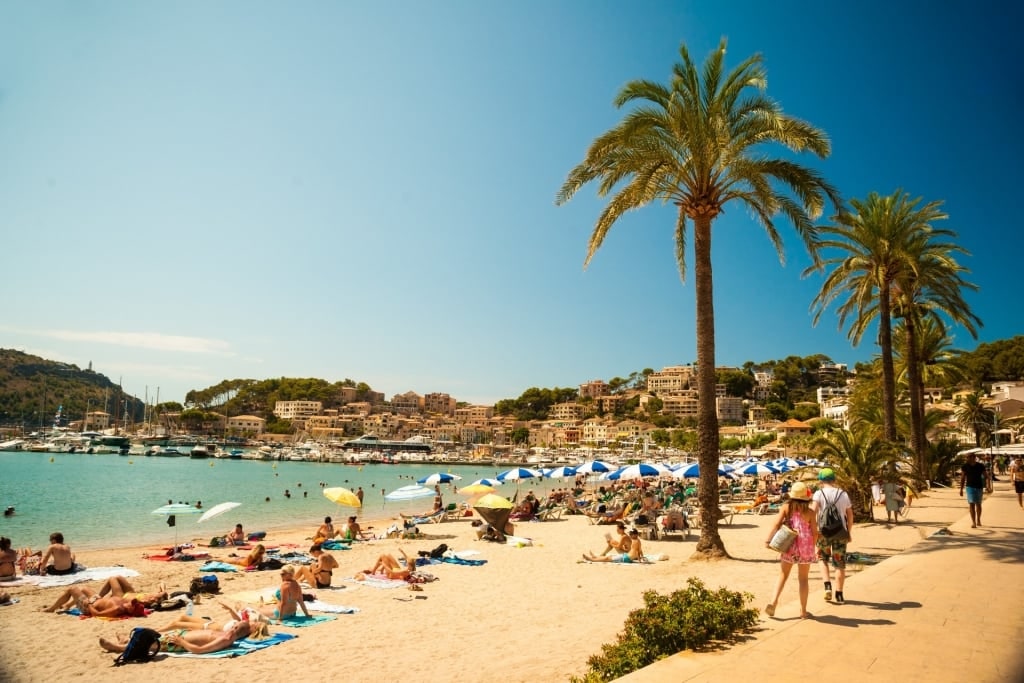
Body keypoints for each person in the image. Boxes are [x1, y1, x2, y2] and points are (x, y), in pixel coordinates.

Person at [764, 481, 819, 619]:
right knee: (803, 579)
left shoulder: (786, 507)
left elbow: (776, 524)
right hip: (805, 546)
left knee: (783, 575)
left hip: (790, 544)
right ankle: (803, 611)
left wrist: (768, 540)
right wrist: (813, 546)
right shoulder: (810, 512)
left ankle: (773, 602)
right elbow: (815, 532)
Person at [811, 468, 854, 605]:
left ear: (821, 480)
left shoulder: (819, 494)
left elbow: (813, 512)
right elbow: (850, 515)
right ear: (834, 480)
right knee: (839, 563)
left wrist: (813, 531)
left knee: (822, 558)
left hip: (823, 532)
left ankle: (827, 586)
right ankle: (839, 594)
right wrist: (849, 532)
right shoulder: (843, 494)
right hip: (840, 532)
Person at [100, 619, 253, 655]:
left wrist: (182, 642)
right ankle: (125, 641)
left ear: (239, 631)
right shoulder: (227, 634)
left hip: (178, 643)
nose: (232, 626)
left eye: (235, 626)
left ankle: (117, 647)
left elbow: (200, 650)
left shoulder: (226, 639)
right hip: (181, 636)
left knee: (149, 644)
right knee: (151, 637)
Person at [157, 599, 269, 637]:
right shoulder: (245, 626)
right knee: (182, 617)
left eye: (257, 625)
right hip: (212, 623)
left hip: (207, 628)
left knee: (176, 624)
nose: (255, 622)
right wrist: (230, 609)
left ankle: (156, 632)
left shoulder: (246, 631)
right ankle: (158, 630)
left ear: (255, 630)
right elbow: (239, 620)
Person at [960, 452, 987, 527]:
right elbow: (962, 478)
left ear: (973, 458)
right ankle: (973, 522)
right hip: (970, 487)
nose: (966, 459)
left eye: (968, 457)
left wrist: (987, 486)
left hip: (979, 486)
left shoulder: (980, 466)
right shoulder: (965, 466)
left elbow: (986, 476)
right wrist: (961, 489)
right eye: (967, 457)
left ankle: (978, 519)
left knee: (978, 504)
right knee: (971, 504)